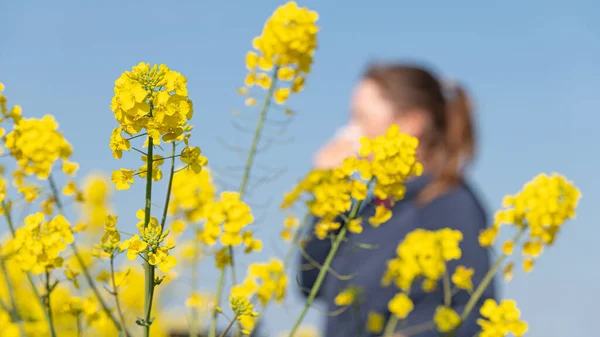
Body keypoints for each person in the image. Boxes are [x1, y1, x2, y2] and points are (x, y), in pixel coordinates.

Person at [299, 63, 494, 337]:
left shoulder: (449, 203)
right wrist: (331, 195)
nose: (348, 133)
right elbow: (311, 284)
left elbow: (473, 314)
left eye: (361, 119)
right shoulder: (374, 208)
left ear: (411, 123)